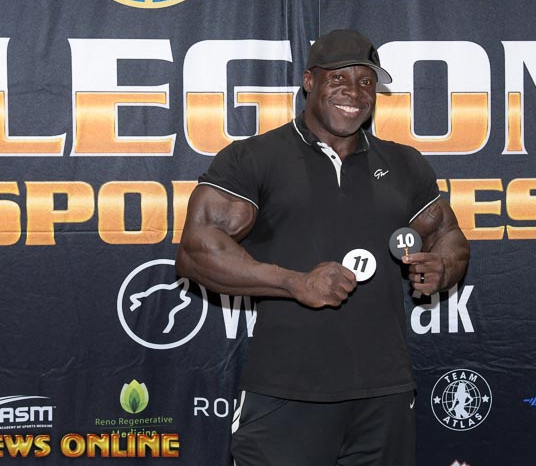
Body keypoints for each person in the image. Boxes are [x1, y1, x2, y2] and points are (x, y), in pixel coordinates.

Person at [176, 29, 470, 465]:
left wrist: (443, 267)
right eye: (338, 79)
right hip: (286, 391)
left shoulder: (404, 163)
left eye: (366, 81)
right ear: (309, 82)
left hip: (383, 392)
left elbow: (448, 235)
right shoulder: (255, 157)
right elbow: (196, 251)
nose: (354, 92)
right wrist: (293, 282)